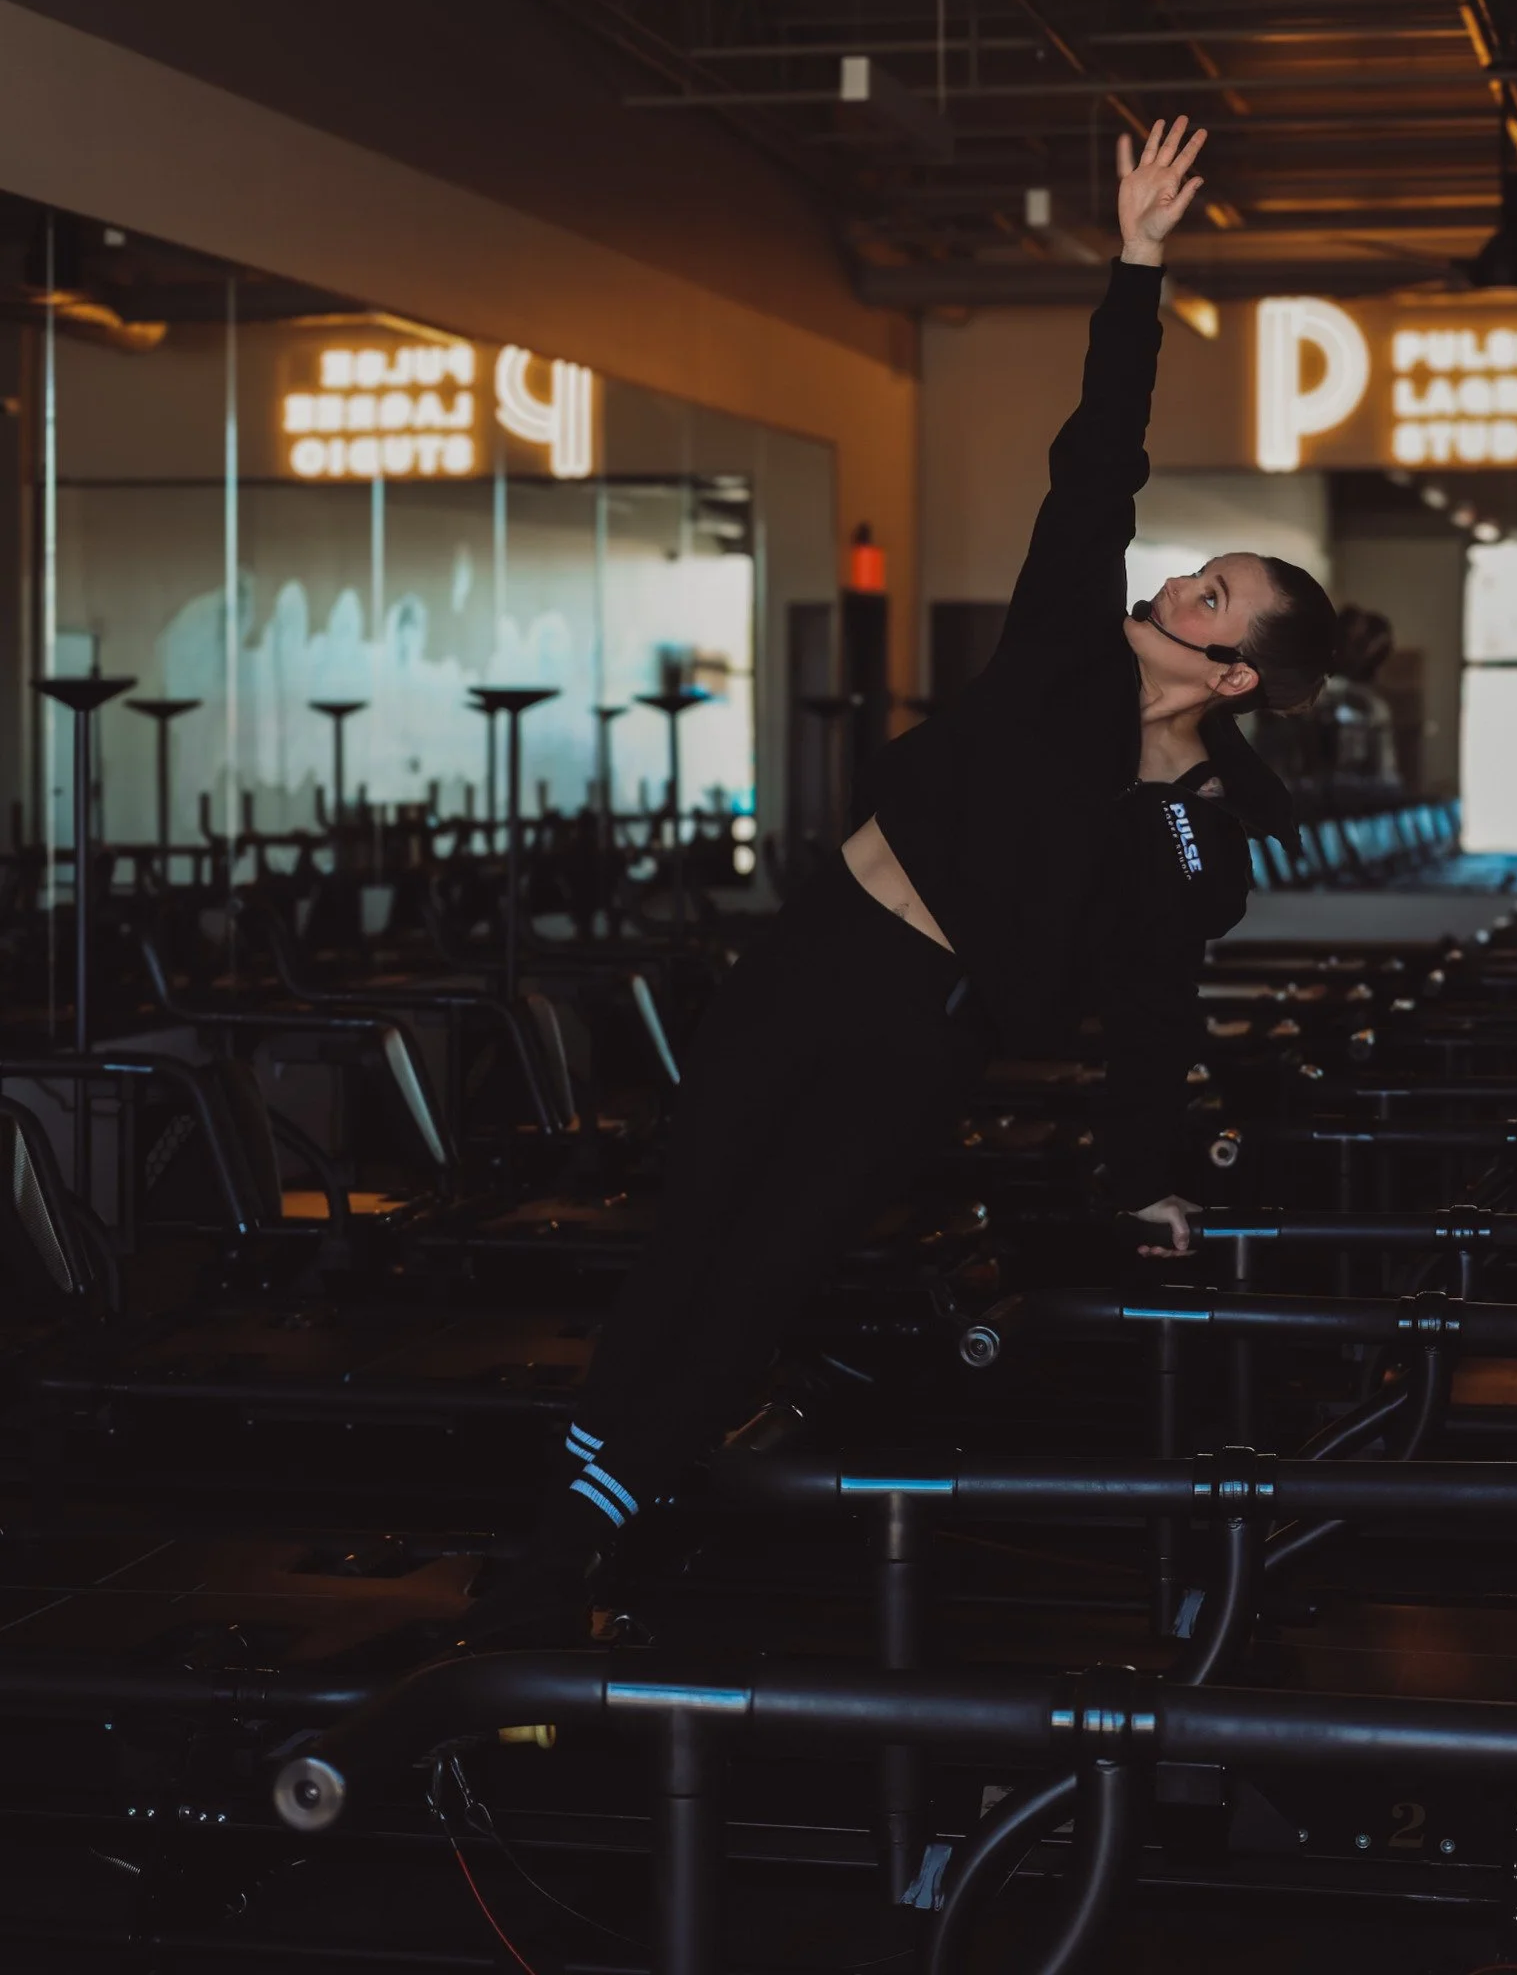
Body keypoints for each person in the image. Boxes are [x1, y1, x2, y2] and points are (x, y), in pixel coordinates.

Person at [471, 116, 1337, 1636]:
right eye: (1200, 570)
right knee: (688, 1247)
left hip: (912, 1030)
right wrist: (1134, 258)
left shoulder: (1192, 829)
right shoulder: (1068, 649)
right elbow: (1099, 459)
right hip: (813, 955)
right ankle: (581, 1506)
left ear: (1235, 674)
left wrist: (1149, 1180)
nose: (1178, 585)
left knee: (753, 1288)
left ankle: (573, 1546)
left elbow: (1156, 1000)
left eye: (1211, 597)